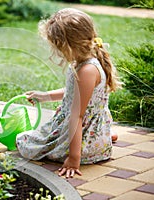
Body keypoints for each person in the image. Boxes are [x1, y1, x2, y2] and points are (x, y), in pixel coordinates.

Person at [16, 8, 122, 178]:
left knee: (25, 142)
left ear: (68, 45)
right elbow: (74, 93)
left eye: (57, 46)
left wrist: (73, 159)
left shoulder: (86, 70)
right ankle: (102, 137)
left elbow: (77, 117)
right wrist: (44, 96)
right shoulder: (86, 62)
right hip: (89, 131)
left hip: (79, 139)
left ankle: (93, 144)